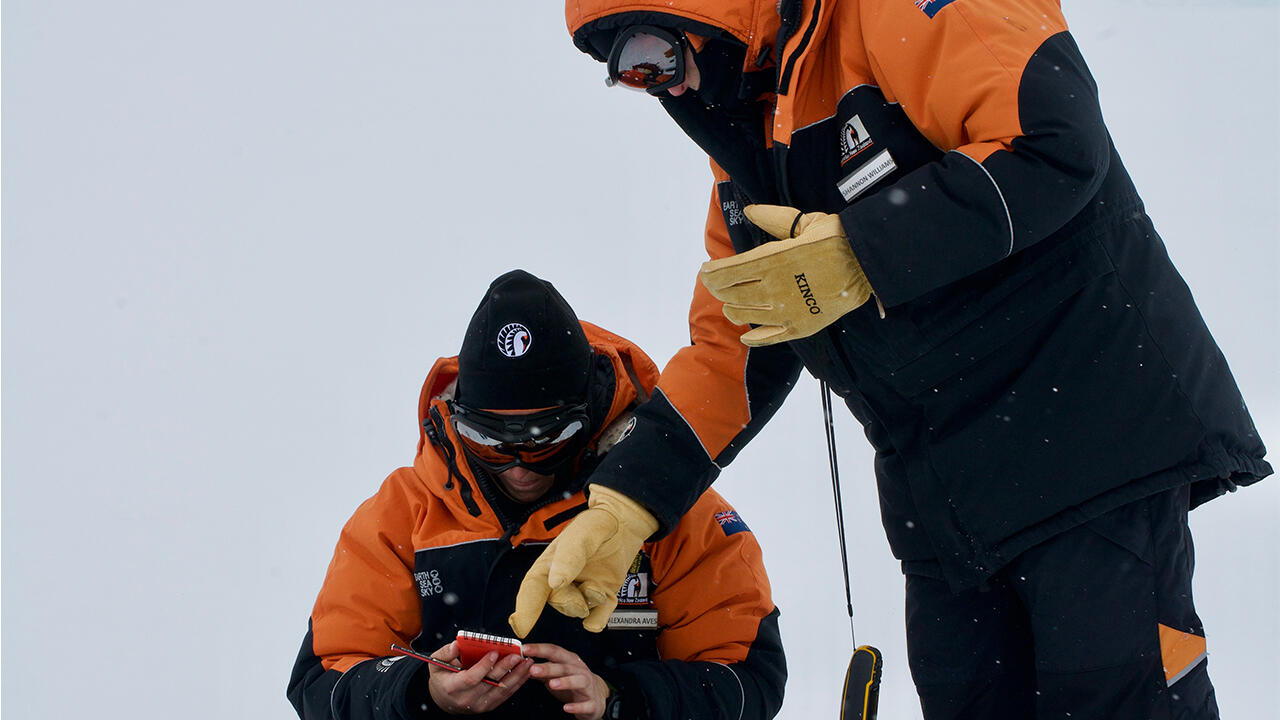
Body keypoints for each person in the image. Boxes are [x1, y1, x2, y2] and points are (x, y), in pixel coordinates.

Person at [506, 3, 1273, 719]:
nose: (654, 84)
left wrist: (864, 251)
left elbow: (1055, 141)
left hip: (1090, 446)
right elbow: (737, 344)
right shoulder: (748, 153)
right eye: (624, 70)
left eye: (651, 50)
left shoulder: (902, 15)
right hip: (946, 510)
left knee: (1112, 697)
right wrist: (624, 504)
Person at [286, 269, 786, 720]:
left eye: (548, 437)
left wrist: (616, 699)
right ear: (456, 419)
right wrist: (421, 693)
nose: (521, 463)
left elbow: (748, 682)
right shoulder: (400, 516)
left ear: (589, 416)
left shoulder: (669, 509)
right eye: (490, 441)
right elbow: (322, 683)